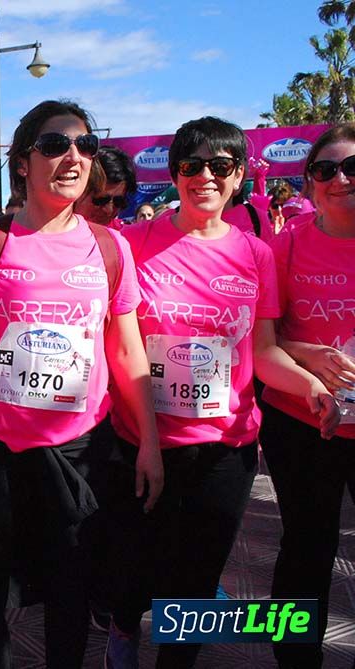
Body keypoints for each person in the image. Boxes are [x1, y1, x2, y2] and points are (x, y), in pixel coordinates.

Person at [0, 100, 162, 669]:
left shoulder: (109, 247)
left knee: (71, 595)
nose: (72, 156)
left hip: (77, 454)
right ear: (22, 162)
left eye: (83, 145)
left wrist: (148, 441)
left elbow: (126, 352)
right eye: (54, 145)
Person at [105, 117, 340, 669]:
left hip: (225, 448)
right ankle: (121, 622)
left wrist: (309, 387)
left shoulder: (255, 254)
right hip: (142, 438)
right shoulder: (133, 243)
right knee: (138, 566)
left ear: (238, 177)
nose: (204, 176)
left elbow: (261, 351)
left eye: (220, 166)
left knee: (193, 582)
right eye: (191, 165)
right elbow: (118, 342)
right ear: (175, 174)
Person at [260, 123, 355, 668]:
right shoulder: (286, 244)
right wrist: (309, 358)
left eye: (351, 169)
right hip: (301, 418)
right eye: (326, 170)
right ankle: (293, 659)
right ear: (310, 182)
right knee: (304, 545)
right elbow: (262, 339)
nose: (340, 179)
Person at [76, 146, 136, 229]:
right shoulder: (53, 233)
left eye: (118, 202)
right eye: (101, 200)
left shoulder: (122, 236)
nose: (109, 210)